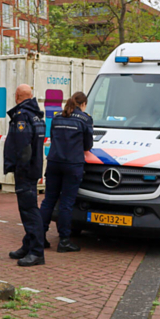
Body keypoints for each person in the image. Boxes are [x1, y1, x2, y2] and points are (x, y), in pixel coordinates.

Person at [40, 92, 94, 252]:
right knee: (66, 203)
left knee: (48, 200)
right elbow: (87, 145)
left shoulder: (57, 118)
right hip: (72, 164)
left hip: (54, 162)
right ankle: (64, 241)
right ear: (83, 104)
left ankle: (39, 237)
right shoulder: (85, 119)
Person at [4, 84, 46, 267]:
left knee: (29, 211)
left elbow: (24, 147)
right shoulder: (36, 115)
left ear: (17, 95)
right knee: (28, 209)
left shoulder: (22, 116)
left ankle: (36, 252)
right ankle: (28, 245)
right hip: (33, 168)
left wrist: (20, 169)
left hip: (25, 171)